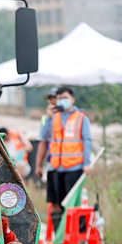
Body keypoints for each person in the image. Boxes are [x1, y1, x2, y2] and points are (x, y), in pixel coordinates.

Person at [35, 86, 92, 232]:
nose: (62, 101)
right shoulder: (53, 117)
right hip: (55, 167)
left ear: (72, 99)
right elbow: (43, 137)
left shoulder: (81, 117)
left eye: (65, 97)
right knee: (55, 202)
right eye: (59, 98)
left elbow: (87, 140)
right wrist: (48, 118)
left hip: (74, 167)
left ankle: (75, 235)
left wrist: (86, 163)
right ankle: (59, 237)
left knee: (74, 203)